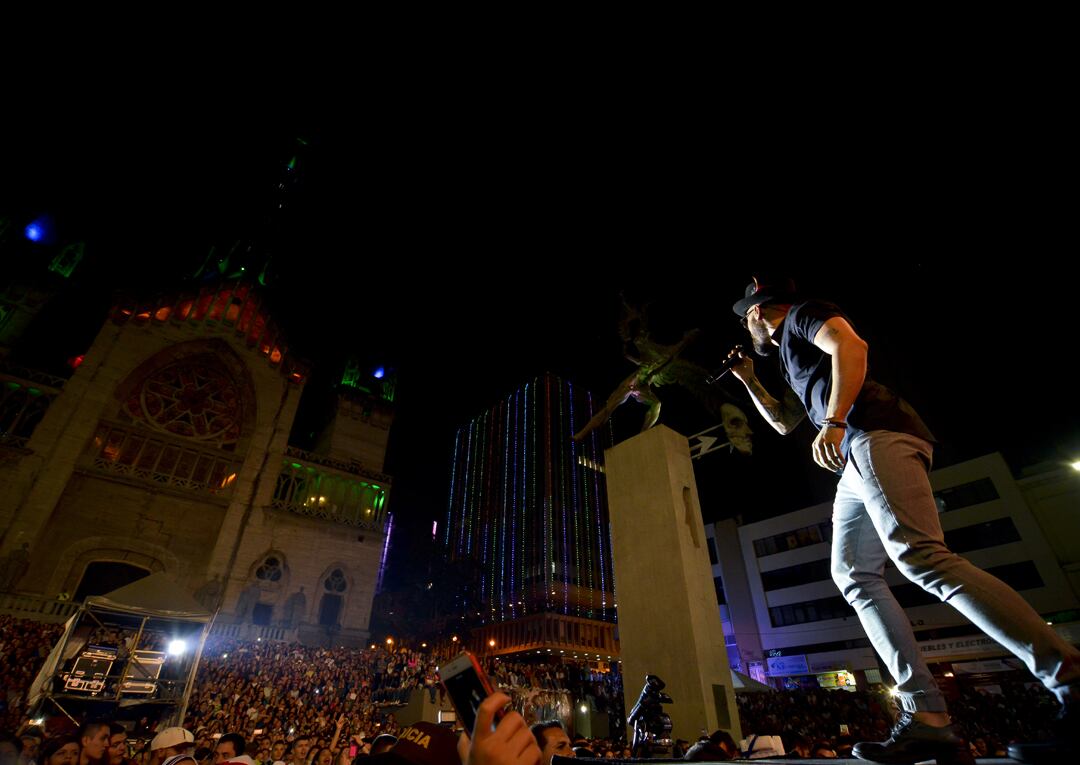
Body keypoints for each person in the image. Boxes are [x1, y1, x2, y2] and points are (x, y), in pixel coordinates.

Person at [728, 276, 1080, 763]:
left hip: (874, 433)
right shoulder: (790, 356)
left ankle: (1069, 679)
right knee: (853, 574)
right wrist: (749, 379)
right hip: (854, 458)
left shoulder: (804, 314)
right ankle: (927, 718)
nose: (747, 327)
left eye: (746, 318)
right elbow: (787, 423)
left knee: (921, 556)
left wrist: (834, 421)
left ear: (756, 311)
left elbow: (851, 346)